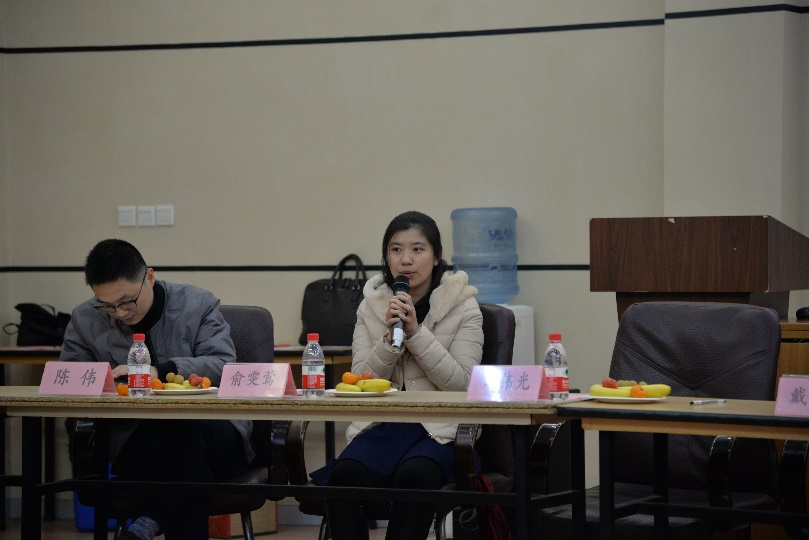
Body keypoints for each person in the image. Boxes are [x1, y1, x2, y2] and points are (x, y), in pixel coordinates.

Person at [60, 239, 253, 540]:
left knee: (185, 429)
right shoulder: (85, 319)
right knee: (192, 470)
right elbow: (72, 381)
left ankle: (148, 520)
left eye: (127, 301)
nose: (120, 313)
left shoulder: (198, 304)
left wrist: (161, 372)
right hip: (136, 438)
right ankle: (148, 522)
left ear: (149, 277)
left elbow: (222, 365)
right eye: (107, 306)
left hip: (215, 430)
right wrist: (110, 382)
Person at [311, 211, 484, 540]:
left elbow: (464, 383)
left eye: (417, 249)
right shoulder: (371, 306)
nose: (406, 259)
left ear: (436, 256)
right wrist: (391, 340)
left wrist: (416, 333)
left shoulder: (464, 306)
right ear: (386, 257)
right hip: (385, 425)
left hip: (443, 429)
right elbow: (360, 380)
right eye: (396, 249)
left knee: (414, 476)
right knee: (344, 475)